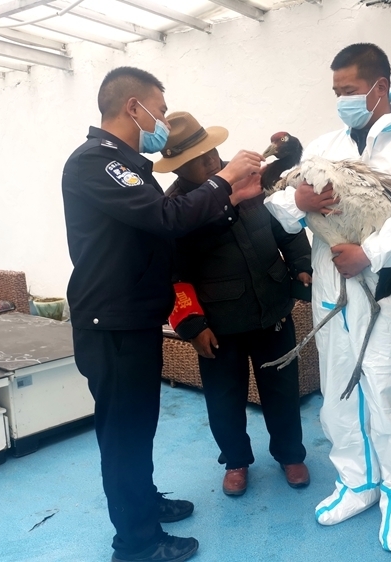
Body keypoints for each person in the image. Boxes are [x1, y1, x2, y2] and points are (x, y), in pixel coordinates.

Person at [62, 67, 264, 562]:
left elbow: (164, 233)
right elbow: (166, 218)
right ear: (133, 107)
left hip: (132, 320)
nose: (163, 121)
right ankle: (137, 543)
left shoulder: (125, 164)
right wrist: (223, 179)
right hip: (112, 326)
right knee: (124, 436)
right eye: (160, 107)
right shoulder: (97, 162)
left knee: (139, 427)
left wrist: (229, 197)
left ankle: (145, 503)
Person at [264, 43, 391, 552]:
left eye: (349, 90)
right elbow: (283, 208)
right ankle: (358, 482)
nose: (341, 99)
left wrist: (369, 252)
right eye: (336, 91)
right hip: (332, 292)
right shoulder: (328, 144)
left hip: (386, 294)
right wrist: (298, 201)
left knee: (390, 393)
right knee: (338, 393)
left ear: (379, 88)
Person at [154, 111, 313, 497]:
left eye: (211, 151)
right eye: (199, 159)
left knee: (283, 389)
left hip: (272, 307)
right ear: (179, 166)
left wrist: (302, 265)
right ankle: (236, 460)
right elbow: (171, 276)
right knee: (224, 399)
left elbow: (285, 225)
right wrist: (192, 325)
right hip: (219, 322)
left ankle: (290, 454)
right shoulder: (174, 208)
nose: (211, 161)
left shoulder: (251, 179)